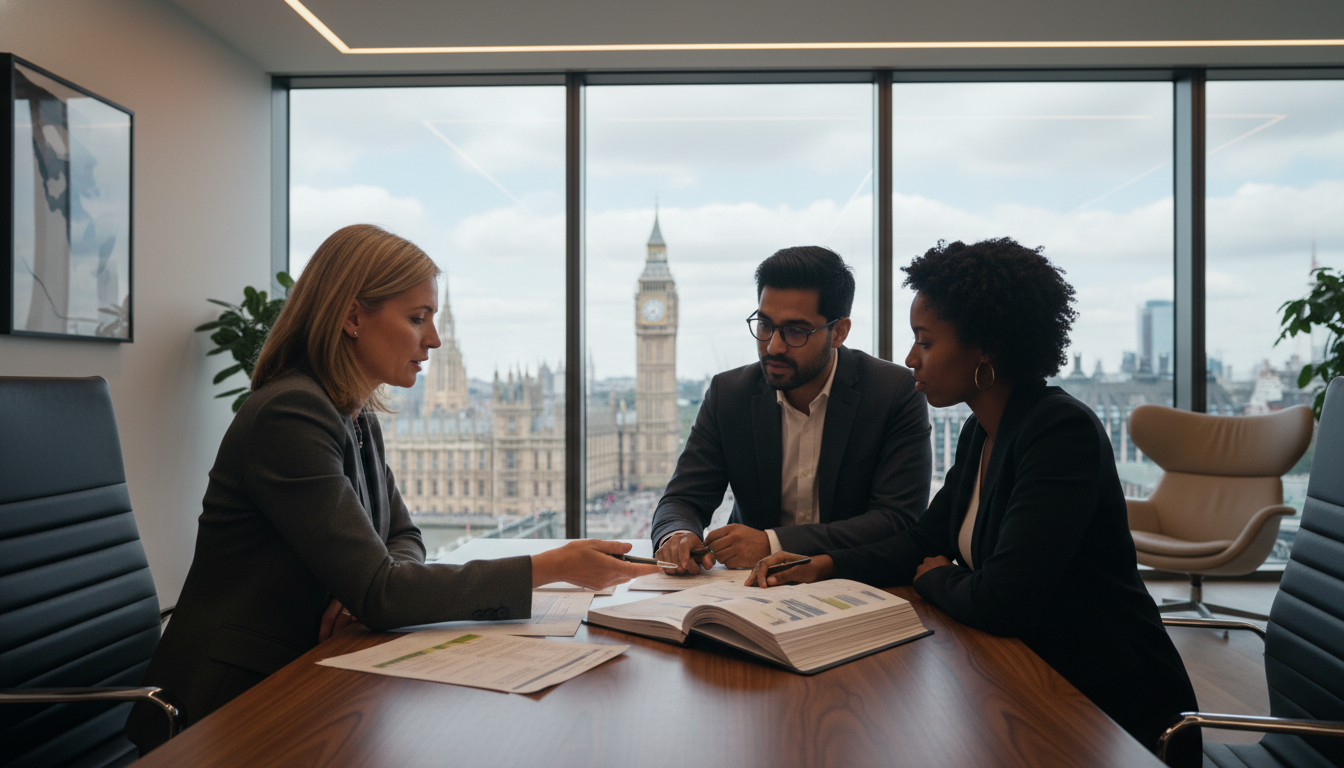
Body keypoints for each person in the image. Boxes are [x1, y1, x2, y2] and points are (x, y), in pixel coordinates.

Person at [127, 225, 655, 752]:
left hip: (310, 670)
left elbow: (404, 535)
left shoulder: (355, 417)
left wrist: (367, 586)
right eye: (417, 318)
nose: (433, 339)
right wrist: (554, 567)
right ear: (353, 316)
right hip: (230, 708)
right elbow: (385, 592)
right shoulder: (290, 415)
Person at [747, 238, 1200, 764]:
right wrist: (823, 565)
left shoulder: (1058, 431)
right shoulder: (982, 431)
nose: (911, 358)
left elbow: (1003, 600)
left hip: (1111, 708)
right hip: (1030, 676)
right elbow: (924, 539)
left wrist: (934, 576)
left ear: (984, 347)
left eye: (925, 341)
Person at [653, 246, 932, 573]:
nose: (773, 346)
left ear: (838, 332)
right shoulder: (728, 394)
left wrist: (773, 543)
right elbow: (682, 500)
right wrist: (679, 534)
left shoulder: (893, 393)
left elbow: (896, 519)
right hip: (747, 589)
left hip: (852, 581)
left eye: (795, 331)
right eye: (765, 325)